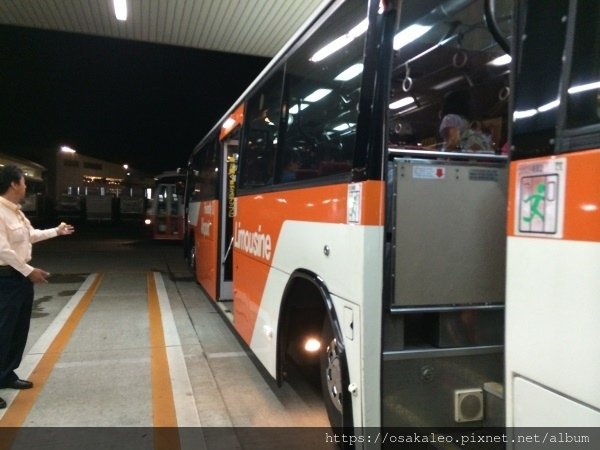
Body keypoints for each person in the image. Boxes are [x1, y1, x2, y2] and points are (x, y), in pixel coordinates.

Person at [0, 165, 74, 409]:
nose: (25, 186)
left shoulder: (16, 213)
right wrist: (29, 271)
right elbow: (3, 250)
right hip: (5, 279)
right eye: (23, 182)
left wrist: (57, 231)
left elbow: (30, 236)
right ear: (13, 184)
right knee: (3, 331)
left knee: (17, 329)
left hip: (18, 279)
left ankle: (6, 374)